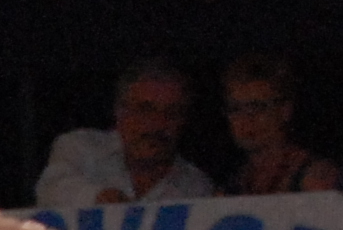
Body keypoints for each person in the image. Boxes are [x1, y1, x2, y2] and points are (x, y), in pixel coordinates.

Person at [34, 58, 218, 208]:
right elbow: (50, 189)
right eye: (145, 109)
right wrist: (100, 198)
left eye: (172, 113)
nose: (157, 123)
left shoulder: (196, 187)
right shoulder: (80, 148)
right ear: (119, 112)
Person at [219, 54, 335, 195]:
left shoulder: (314, 180)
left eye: (256, 107)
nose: (245, 119)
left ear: (285, 110)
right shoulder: (231, 189)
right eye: (235, 109)